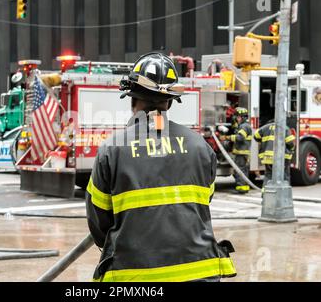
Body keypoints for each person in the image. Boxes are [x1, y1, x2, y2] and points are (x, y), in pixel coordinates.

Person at [86, 53, 236, 282]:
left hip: (134, 278)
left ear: (132, 99)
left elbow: (99, 223)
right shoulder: (201, 147)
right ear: (169, 101)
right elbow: (202, 204)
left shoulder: (111, 150)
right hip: (200, 273)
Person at [221, 107, 252, 194]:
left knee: (239, 171)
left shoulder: (244, 126)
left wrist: (227, 137)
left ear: (241, 117)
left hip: (241, 153)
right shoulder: (244, 126)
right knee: (243, 171)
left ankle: (241, 188)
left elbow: (240, 138)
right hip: (242, 153)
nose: (237, 119)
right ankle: (244, 187)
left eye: (238, 117)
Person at [254, 121, 296, 186]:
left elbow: (256, 136)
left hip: (267, 157)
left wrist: (263, 142)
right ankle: (283, 192)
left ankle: (265, 192)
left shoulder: (266, 127)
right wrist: (292, 149)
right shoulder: (284, 128)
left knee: (268, 175)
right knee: (284, 175)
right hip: (281, 158)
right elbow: (290, 142)